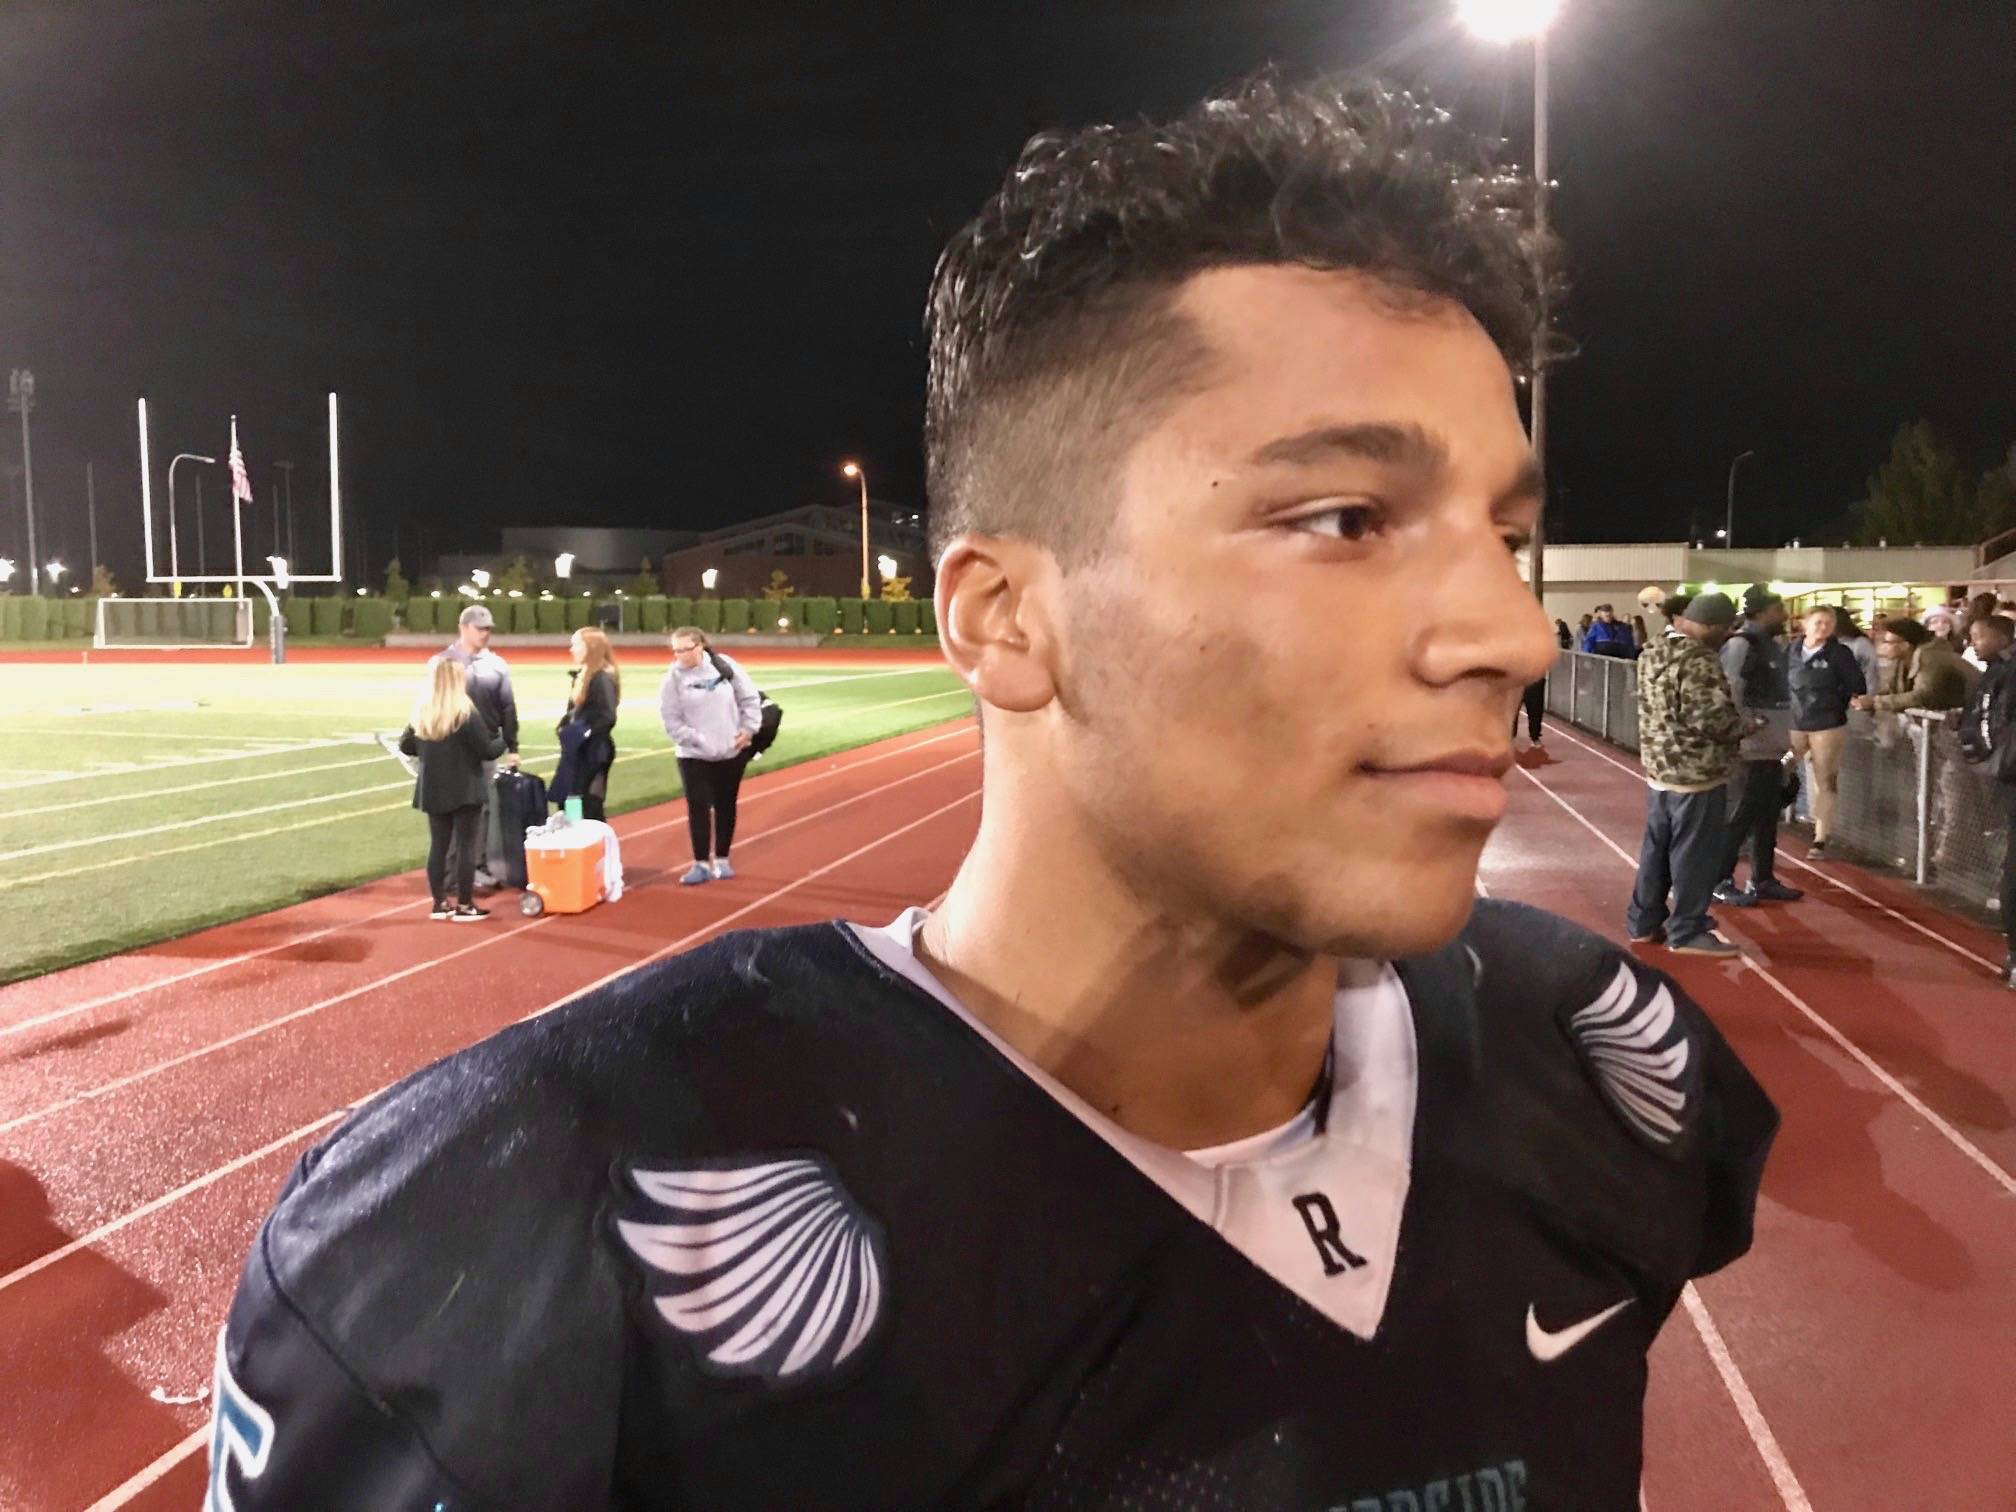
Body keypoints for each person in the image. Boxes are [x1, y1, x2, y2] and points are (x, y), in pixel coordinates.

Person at [209, 77, 1775, 1510]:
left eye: (1504, 534)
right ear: (1003, 619)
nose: (1510, 633)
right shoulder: (520, 1230)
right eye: (1348, 517)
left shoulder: (1598, 1072)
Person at [1628, 592, 1748, 955]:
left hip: (1660, 768)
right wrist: (1746, 726)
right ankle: (1687, 930)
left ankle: (1644, 922)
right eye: (1725, 630)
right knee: (1694, 855)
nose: (1727, 636)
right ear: (1712, 626)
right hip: (1696, 772)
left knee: (1657, 850)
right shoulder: (1698, 660)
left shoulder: (1653, 650)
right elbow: (1710, 719)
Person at [397, 657, 505, 922]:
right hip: (465, 787)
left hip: (434, 788)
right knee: (466, 847)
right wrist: (504, 739)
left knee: (439, 846)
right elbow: (486, 750)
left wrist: (429, 750)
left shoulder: (423, 712)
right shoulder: (465, 714)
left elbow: (406, 745)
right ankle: (466, 905)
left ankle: (439, 902)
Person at [1713, 589, 1801, 907]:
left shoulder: (1769, 646)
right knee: (1738, 816)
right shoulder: (1741, 645)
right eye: (1779, 609)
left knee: (1766, 817)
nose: (1785, 614)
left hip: (1771, 748)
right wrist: (1742, 728)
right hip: (1750, 749)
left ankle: (1762, 878)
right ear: (1763, 612)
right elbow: (1730, 689)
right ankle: (1719, 880)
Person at [658, 625, 760, 884]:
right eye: (676, 650)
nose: (680, 655)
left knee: (726, 805)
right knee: (698, 807)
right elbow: (670, 719)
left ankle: (723, 858)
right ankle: (701, 863)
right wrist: (696, 740)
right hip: (693, 755)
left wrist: (748, 730)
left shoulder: (724, 666)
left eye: (686, 649)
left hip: (730, 751)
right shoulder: (672, 679)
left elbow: (749, 698)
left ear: (700, 645)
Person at [437, 604, 521, 889]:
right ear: (464, 627)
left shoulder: (497, 664)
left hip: (484, 746)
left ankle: (476, 866)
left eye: (488, 629)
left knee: (481, 808)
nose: (485, 634)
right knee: (450, 809)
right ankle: (449, 873)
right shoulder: (443, 662)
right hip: (451, 749)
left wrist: (513, 745)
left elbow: (507, 707)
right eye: (480, 628)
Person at [1958, 615, 2016, 985]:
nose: (1973, 641)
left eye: (1980, 635)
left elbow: (1985, 724)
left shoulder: (2001, 672)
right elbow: (1986, 723)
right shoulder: (2000, 672)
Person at [1785, 605, 1866, 860]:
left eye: (1828, 623)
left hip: (1827, 724)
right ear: (1805, 624)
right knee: (1777, 770)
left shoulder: (1840, 654)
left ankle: (1820, 837)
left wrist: (1839, 700)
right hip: (1793, 722)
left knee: (1825, 780)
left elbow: (1857, 685)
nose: (1823, 628)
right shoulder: (1790, 651)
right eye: (1818, 622)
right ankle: (1764, 820)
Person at [552, 627, 620, 822]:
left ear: (590, 647)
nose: (571, 649)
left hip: (593, 750)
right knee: (571, 799)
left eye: (576, 644)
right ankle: (580, 840)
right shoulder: (586, 675)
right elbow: (575, 712)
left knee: (588, 803)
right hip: (581, 749)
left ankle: (596, 847)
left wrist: (583, 733)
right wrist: (564, 726)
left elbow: (607, 716)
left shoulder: (600, 678)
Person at [1854, 617, 1977, 717]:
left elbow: (1922, 695)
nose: (1882, 646)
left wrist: (1876, 702)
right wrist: (1867, 698)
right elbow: (1893, 689)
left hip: (1967, 718)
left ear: (1905, 645)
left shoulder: (1930, 657)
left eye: (1887, 642)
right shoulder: (1904, 659)